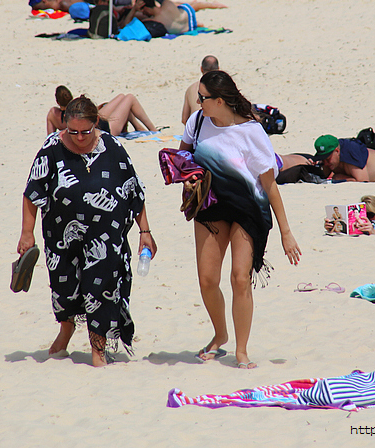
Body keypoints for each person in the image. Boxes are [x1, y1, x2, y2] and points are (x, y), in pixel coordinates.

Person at [17, 95, 158, 367]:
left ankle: (98, 350)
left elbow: (134, 191)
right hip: (61, 235)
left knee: (101, 289)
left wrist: (145, 231)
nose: (80, 137)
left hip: (106, 236)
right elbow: (32, 192)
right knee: (64, 287)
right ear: (65, 125)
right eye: (73, 131)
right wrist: (26, 232)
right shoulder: (52, 148)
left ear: (96, 124)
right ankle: (67, 328)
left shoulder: (113, 147)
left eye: (86, 131)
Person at [177, 70, 300, 369]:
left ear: (220, 101)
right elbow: (183, 159)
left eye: (203, 98)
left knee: (239, 278)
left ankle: (241, 350)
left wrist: (286, 232)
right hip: (211, 205)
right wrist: (187, 180)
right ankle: (220, 335)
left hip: (248, 209)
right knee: (207, 280)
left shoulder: (251, 132)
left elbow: (269, 184)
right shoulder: (197, 122)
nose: (198, 102)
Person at [46, 86, 157, 136]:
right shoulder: (76, 110)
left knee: (121, 97)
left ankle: (138, 127)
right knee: (129, 98)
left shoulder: (52, 114)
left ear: (57, 101)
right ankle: (153, 129)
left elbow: (49, 137)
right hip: (107, 129)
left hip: (97, 124)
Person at [120, 0, 227, 37]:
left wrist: (134, 9)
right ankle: (215, 5)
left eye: (142, 10)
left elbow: (126, 25)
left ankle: (200, 23)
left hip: (186, 29)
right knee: (193, 5)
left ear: (145, 7)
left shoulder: (153, 21)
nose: (142, 12)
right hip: (188, 17)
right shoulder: (167, 3)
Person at [181, 55, 220, 124]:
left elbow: (184, 119)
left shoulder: (191, 88)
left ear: (201, 69)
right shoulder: (223, 87)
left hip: (197, 129)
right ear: (218, 69)